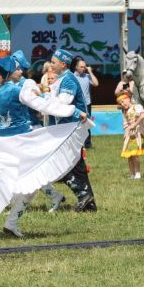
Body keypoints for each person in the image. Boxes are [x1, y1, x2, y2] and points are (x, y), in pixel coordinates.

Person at [0, 52, 91, 236]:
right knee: (33, 179)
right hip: (21, 143)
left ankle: (11, 224)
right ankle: (12, 222)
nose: (20, 71)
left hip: (1, 143)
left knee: (6, 184)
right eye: (17, 69)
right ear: (8, 73)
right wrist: (75, 112)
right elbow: (44, 106)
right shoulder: (16, 90)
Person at [49, 49, 98, 212]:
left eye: (53, 62)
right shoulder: (61, 78)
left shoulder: (68, 80)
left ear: (63, 64)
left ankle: (84, 196)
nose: (51, 64)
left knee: (62, 165)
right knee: (76, 165)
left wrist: (42, 98)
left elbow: (63, 104)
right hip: (65, 128)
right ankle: (88, 202)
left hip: (71, 128)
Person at [118, 92, 144, 179]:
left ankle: (138, 173)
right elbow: (125, 123)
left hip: (138, 133)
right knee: (129, 155)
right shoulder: (124, 112)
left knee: (135, 154)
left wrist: (134, 125)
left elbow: (142, 116)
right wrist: (126, 132)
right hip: (130, 135)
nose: (122, 104)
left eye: (123, 101)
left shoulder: (137, 107)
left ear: (128, 99)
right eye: (120, 103)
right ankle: (132, 174)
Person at [71, 56, 98, 148]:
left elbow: (96, 83)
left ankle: (87, 143)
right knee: (76, 124)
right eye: (81, 67)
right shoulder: (72, 77)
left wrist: (90, 71)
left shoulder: (87, 76)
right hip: (77, 104)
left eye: (84, 66)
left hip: (87, 104)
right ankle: (76, 143)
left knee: (87, 123)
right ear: (76, 67)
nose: (84, 68)